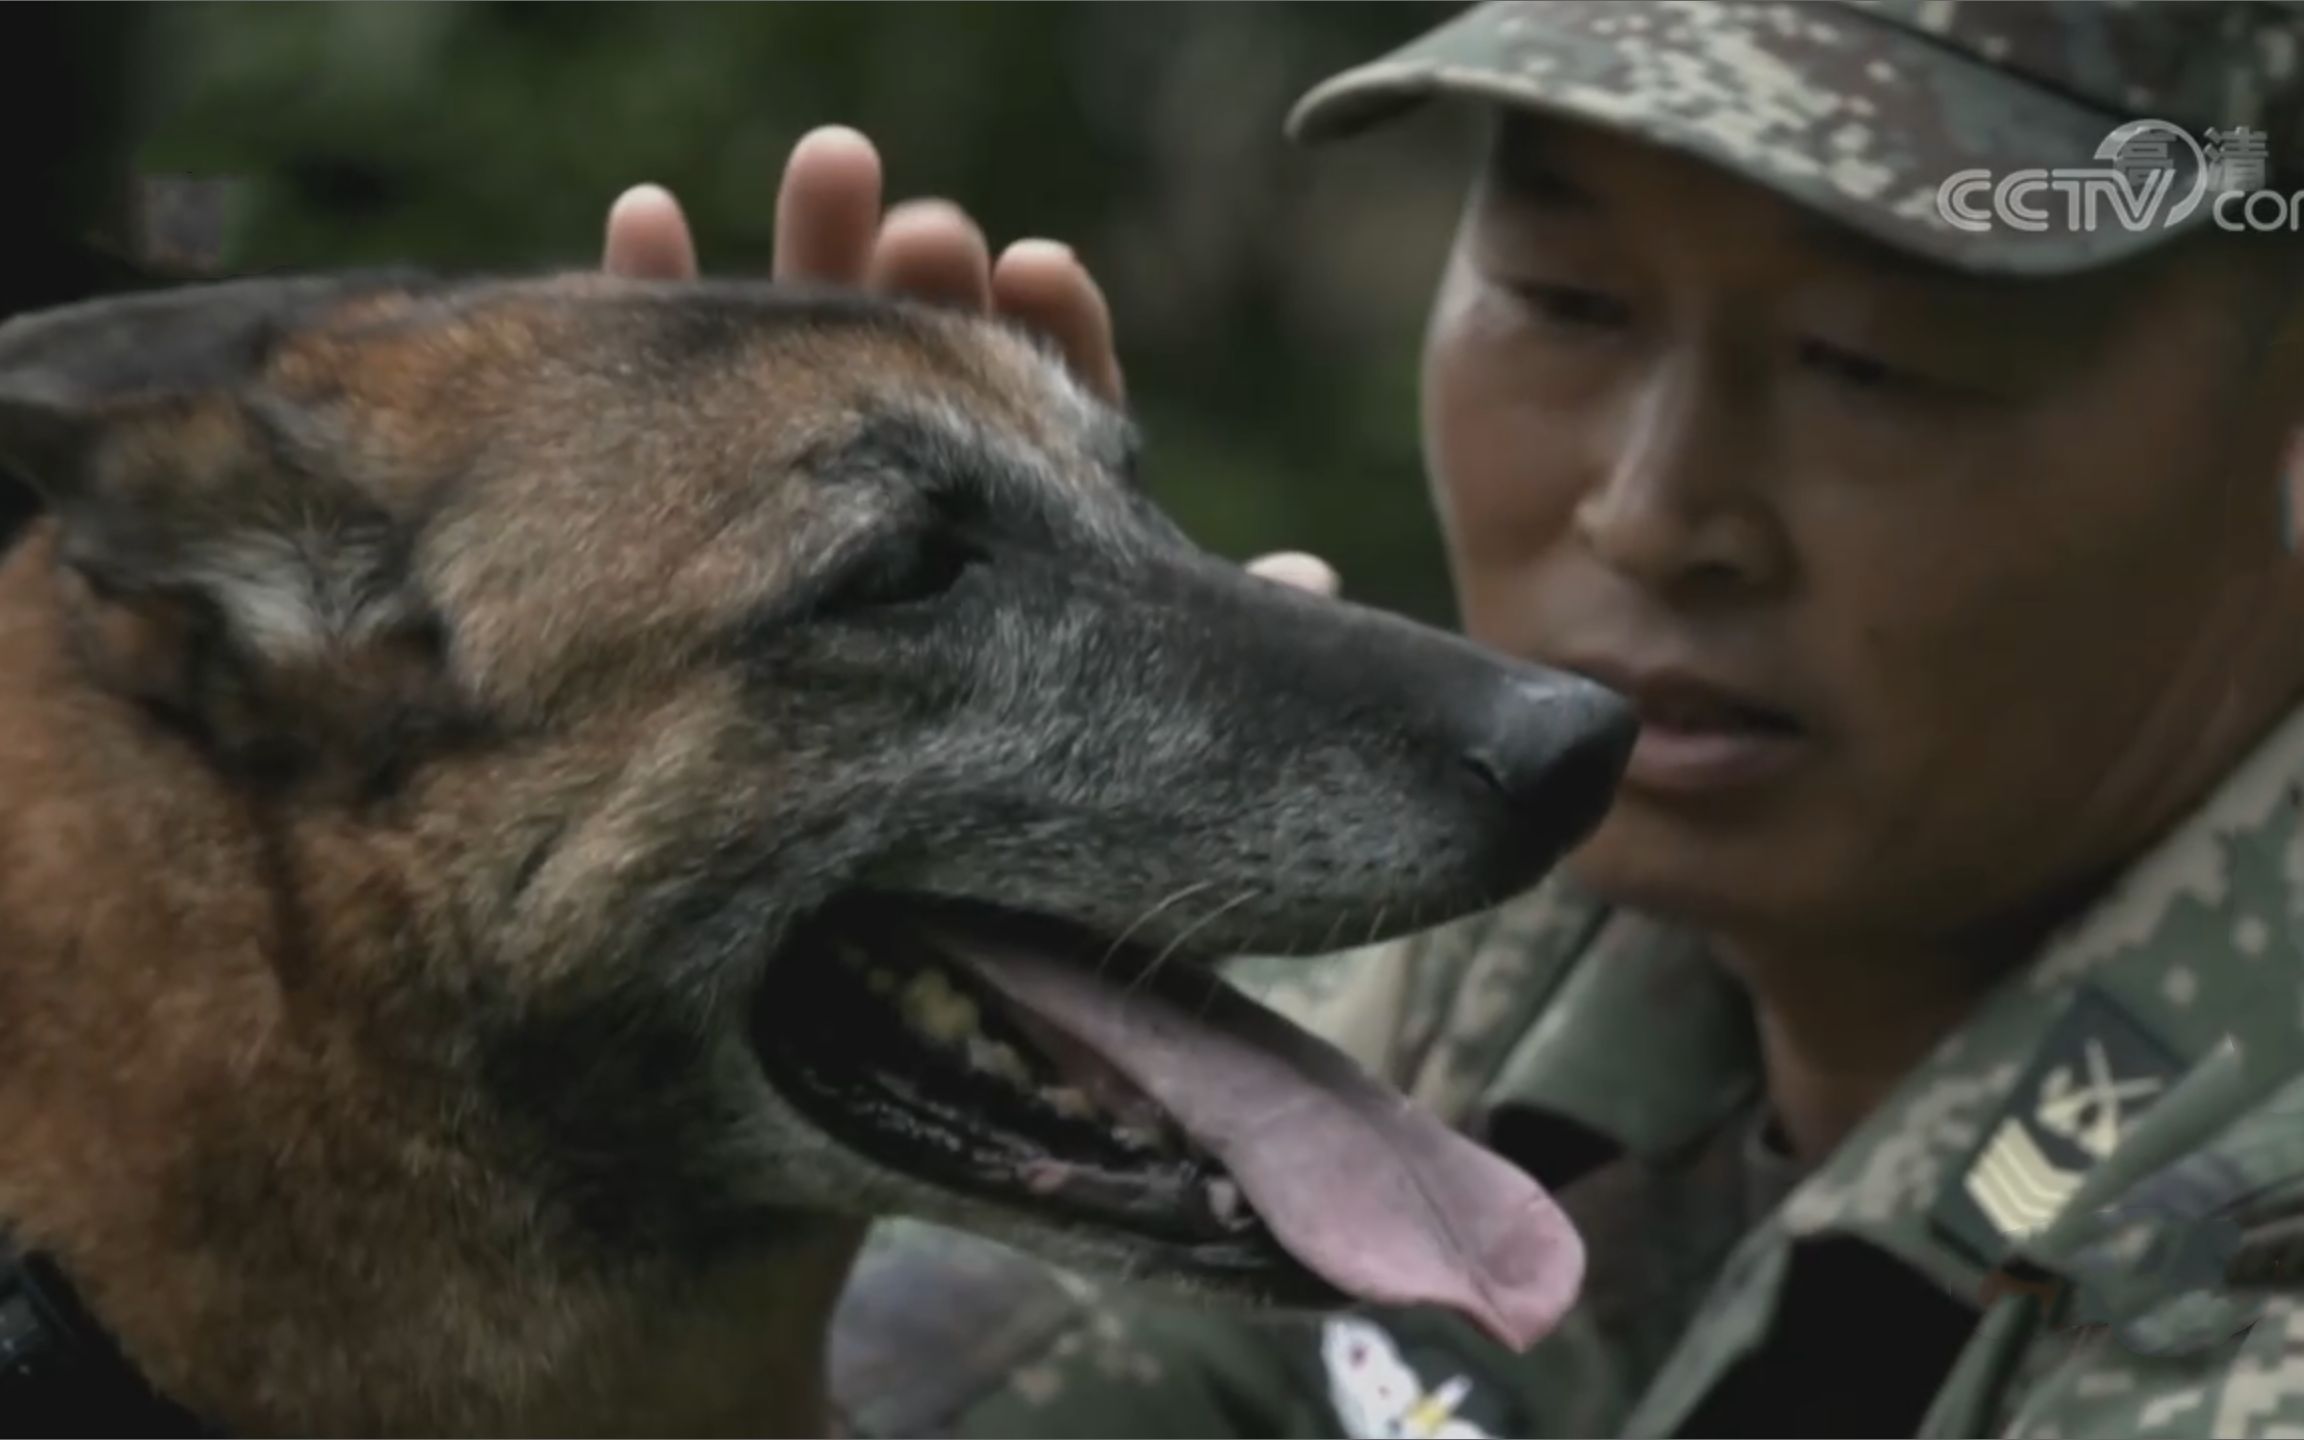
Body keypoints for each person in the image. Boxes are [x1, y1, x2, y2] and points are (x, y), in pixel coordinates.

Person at [605, 3, 2304, 1435]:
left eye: (1869, 361)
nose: (1652, 509)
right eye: (1569, 301)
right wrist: (824, 1033)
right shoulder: (1527, 982)